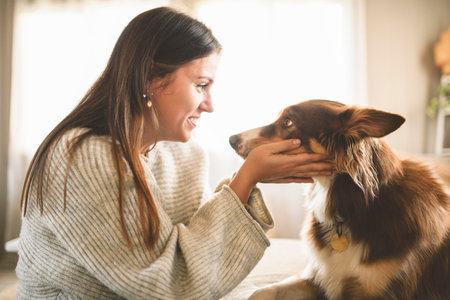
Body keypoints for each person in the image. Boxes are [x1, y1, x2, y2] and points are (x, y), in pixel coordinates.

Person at [16, 6, 333, 300]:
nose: (210, 105)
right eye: (201, 85)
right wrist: (248, 175)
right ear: (150, 76)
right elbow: (168, 284)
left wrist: (247, 179)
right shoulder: (83, 157)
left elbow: (197, 253)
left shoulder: (186, 155)